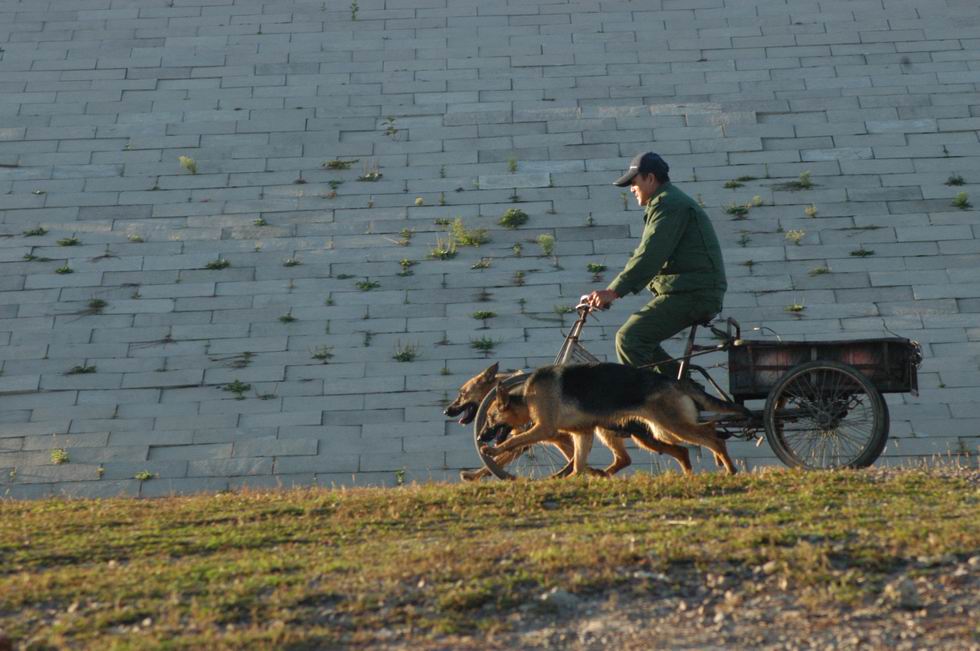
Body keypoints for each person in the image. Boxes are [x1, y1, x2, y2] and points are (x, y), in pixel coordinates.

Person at [585, 152, 727, 379]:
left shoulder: (669, 205)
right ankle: (685, 395)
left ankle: (658, 403)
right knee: (642, 341)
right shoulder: (667, 202)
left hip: (695, 292)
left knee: (630, 338)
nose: (632, 188)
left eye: (634, 182)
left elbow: (650, 255)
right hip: (689, 290)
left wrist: (613, 291)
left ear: (650, 178)